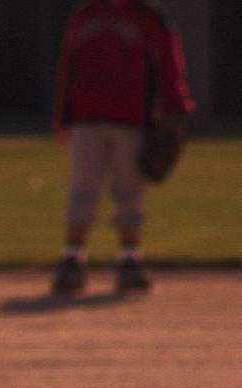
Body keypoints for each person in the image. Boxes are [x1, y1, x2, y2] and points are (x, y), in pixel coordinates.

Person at [51, 0, 193, 294]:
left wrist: (176, 112)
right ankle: (72, 260)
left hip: (132, 119)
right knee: (82, 188)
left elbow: (170, 66)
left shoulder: (149, 18)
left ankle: (129, 262)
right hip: (85, 116)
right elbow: (68, 65)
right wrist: (61, 117)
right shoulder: (85, 14)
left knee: (129, 190)